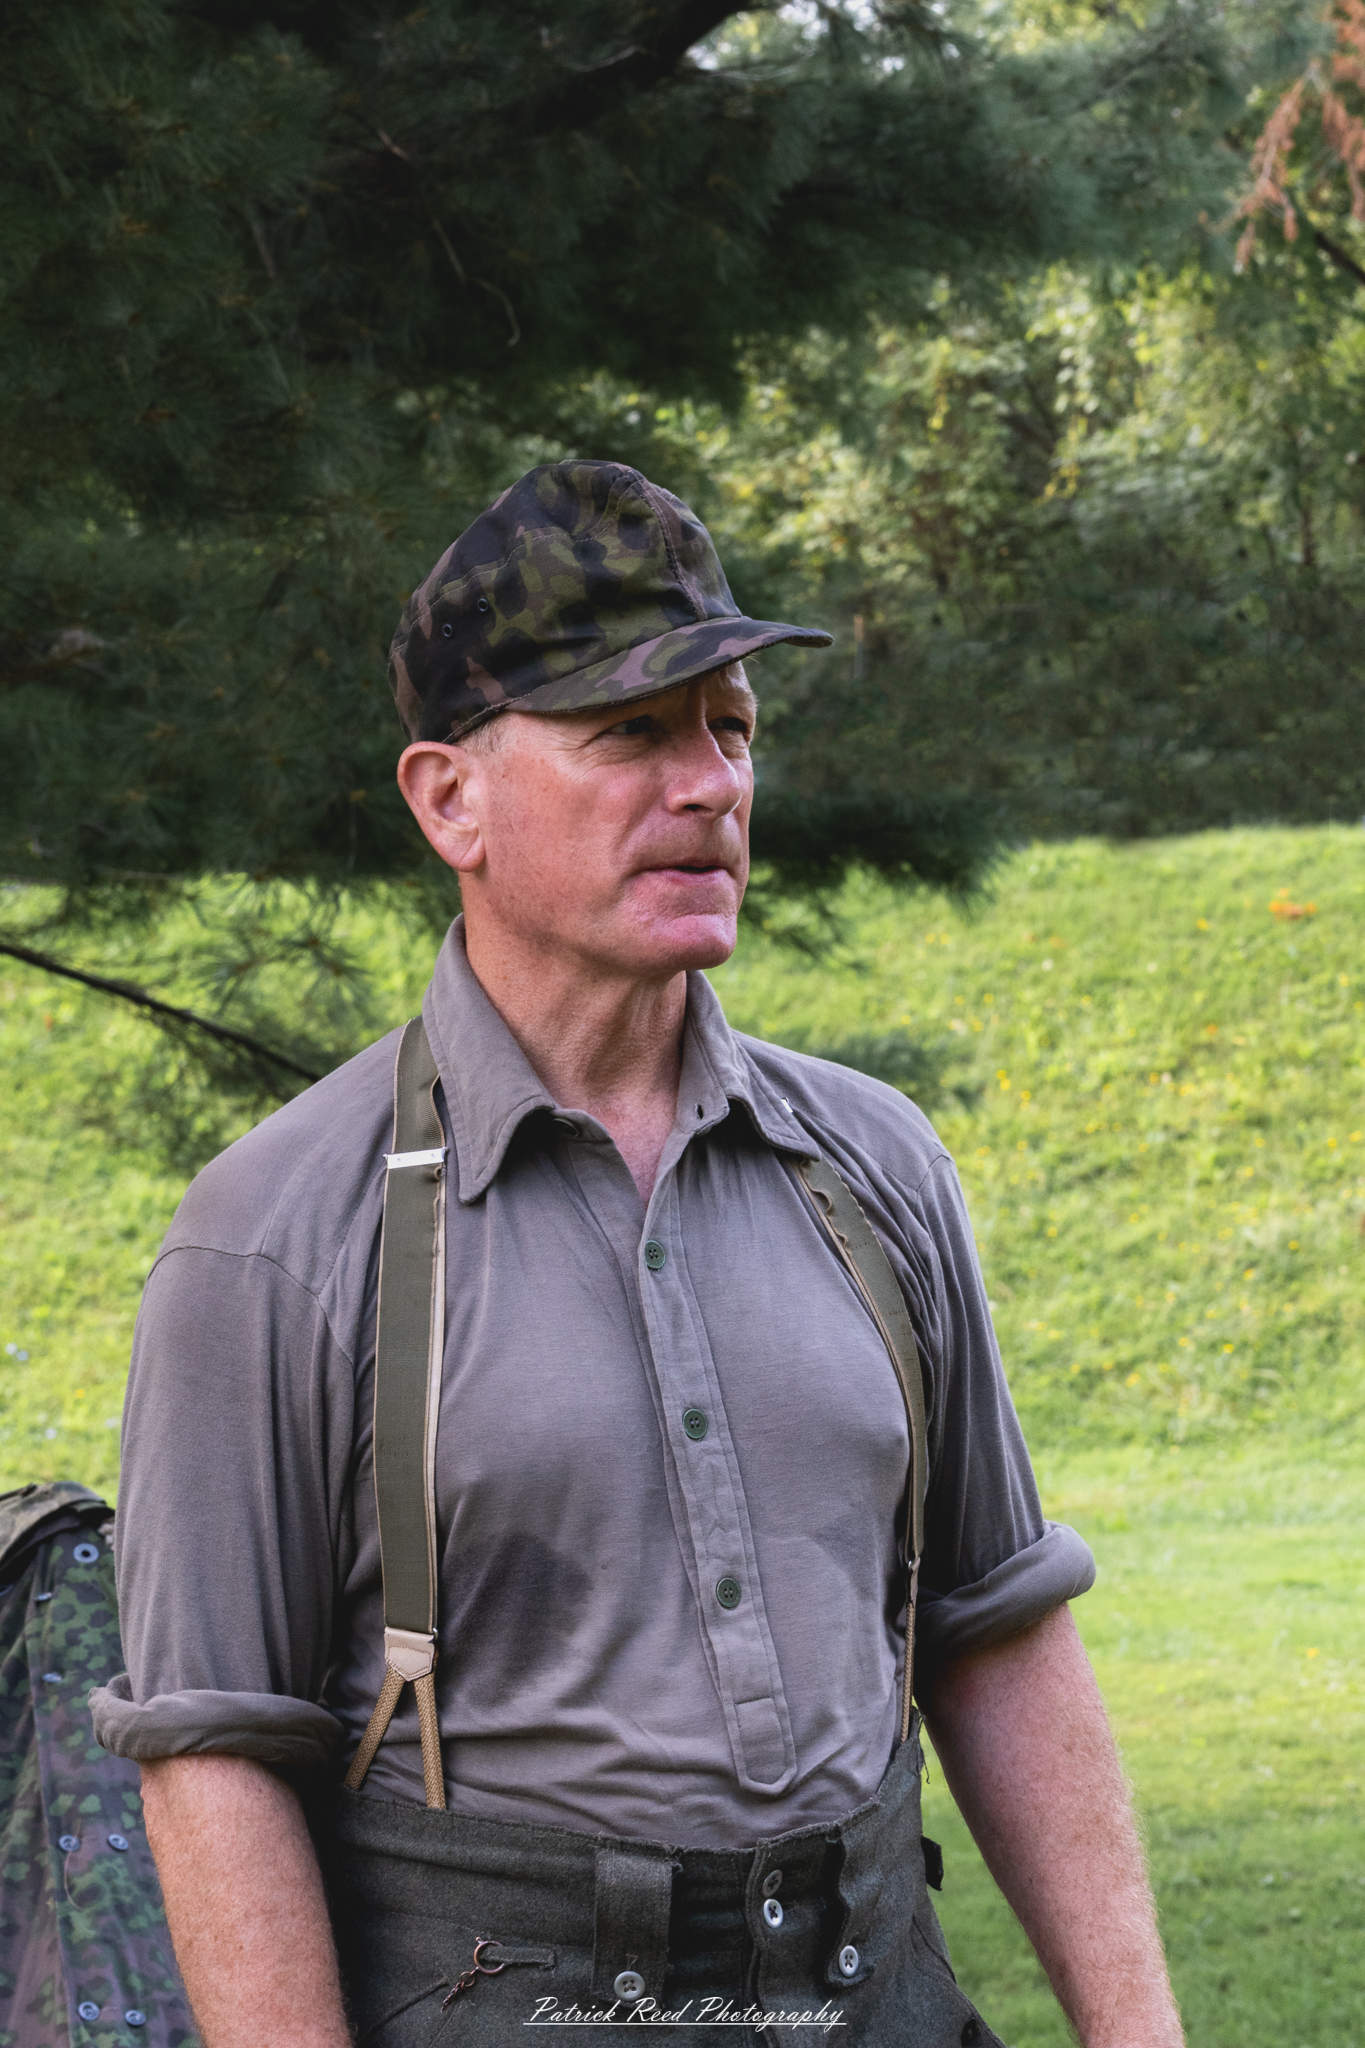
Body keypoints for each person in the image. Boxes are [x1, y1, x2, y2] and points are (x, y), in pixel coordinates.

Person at [93, 461, 1183, 2047]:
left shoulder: (872, 1165)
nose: (709, 785)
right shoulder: (274, 1235)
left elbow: (996, 1626)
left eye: (729, 728)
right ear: (448, 800)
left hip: (876, 1997)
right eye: (631, 734)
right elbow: (214, 1757)